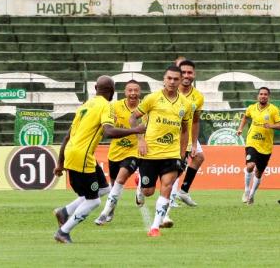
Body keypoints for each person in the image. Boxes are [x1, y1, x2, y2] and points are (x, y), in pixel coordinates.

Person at [52, 76, 143, 243]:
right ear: (113, 91)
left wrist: (60, 163)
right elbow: (109, 131)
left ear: (95, 88)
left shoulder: (85, 105)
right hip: (82, 156)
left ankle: (64, 212)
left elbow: (66, 136)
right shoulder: (106, 106)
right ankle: (63, 232)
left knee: (103, 188)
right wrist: (135, 130)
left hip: (75, 153)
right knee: (93, 201)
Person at [129, 66, 194, 237]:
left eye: (175, 79)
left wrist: (182, 152)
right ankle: (140, 187)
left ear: (180, 81)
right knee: (148, 191)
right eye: (169, 78)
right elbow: (133, 118)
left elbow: (185, 129)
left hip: (171, 153)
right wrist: (140, 140)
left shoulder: (186, 104)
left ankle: (155, 227)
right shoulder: (152, 98)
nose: (172, 82)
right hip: (150, 153)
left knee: (167, 187)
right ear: (164, 79)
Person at [94, 80, 142, 226]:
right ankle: (112, 208)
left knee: (120, 180)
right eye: (130, 90)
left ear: (140, 92)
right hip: (115, 152)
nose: (133, 93)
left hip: (133, 152)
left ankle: (104, 213)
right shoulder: (114, 106)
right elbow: (106, 124)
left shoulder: (144, 108)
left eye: (136, 90)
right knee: (114, 183)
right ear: (125, 92)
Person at [236, 87, 280, 205]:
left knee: (258, 172)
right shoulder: (251, 108)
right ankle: (246, 190)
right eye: (261, 94)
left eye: (265, 94)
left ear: (268, 96)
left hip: (266, 146)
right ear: (258, 96)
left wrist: (271, 126)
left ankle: (252, 195)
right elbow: (245, 117)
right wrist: (240, 128)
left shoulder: (273, 110)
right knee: (250, 165)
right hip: (252, 141)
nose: (263, 96)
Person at [171, 59, 204, 208]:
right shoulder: (171, 91)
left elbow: (196, 121)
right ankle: (170, 198)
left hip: (188, 134)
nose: (186, 75)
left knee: (198, 157)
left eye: (189, 72)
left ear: (194, 74)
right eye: (183, 72)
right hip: (171, 134)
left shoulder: (198, 96)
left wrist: (195, 143)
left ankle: (183, 191)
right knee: (176, 165)